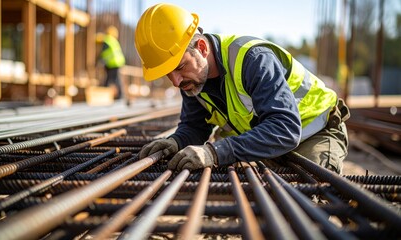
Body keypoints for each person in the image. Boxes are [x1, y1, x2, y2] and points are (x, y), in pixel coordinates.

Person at [135, 3, 350, 174]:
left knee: (308, 203)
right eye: (167, 73)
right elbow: (195, 126)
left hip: (315, 134)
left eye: (180, 67)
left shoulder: (253, 60)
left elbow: (285, 128)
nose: (175, 81)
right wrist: (176, 141)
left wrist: (216, 152)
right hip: (269, 145)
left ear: (200, 47)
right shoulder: (191, 80)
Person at [99, 26, 126, 99]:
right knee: (116, 79)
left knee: (109, 79)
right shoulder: (114, 40)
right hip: (118, 62)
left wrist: (100, 62)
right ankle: (120, 95)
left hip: (112, 63)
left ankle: (104, 94)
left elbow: (104, 53)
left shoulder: (107, 40)